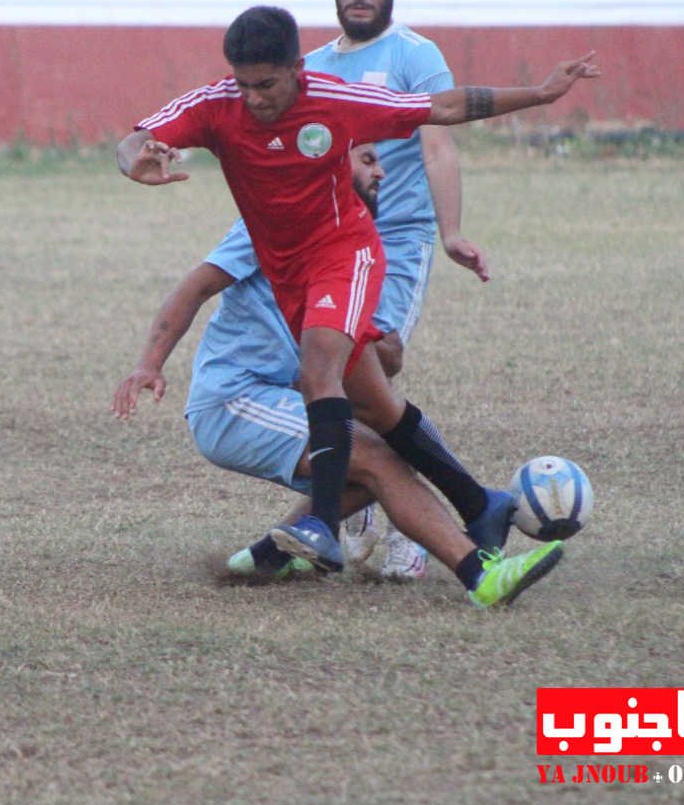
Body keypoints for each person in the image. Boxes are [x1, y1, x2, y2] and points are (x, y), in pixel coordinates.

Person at [116, 5, 599, 605]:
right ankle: (480, 504)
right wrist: (135, 162)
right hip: (295, 283)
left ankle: (334, 532)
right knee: (378, 411)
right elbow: (136, 136)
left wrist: (540, 94)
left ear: (297, 68)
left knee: (321, 371)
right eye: (243, 83)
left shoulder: (335, 100)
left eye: (266, 84)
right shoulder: (218, 105)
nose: (254, 98)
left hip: (345, 254)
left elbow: (442, 107)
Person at [113, 145, 540, 605]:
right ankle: (481, 575)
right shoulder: (276, 223)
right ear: (334, 165)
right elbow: (197, 285)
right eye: (368, 159)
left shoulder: (356, 245)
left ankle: (269, 556)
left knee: (367, 463)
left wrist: (378, 340)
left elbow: (375, 354)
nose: (382, 171)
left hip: (280, 397)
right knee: (375, 456)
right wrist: (149, 364)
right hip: (232, 401)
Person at [219, 0, 500, 577]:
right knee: (338, 374)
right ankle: (358, 511)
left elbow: (438, 142)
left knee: (381, 359)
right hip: (329, 240)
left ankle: (391, 521)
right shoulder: (308, 66)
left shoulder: (414, 54)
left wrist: (450, 231)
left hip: (393, 238)